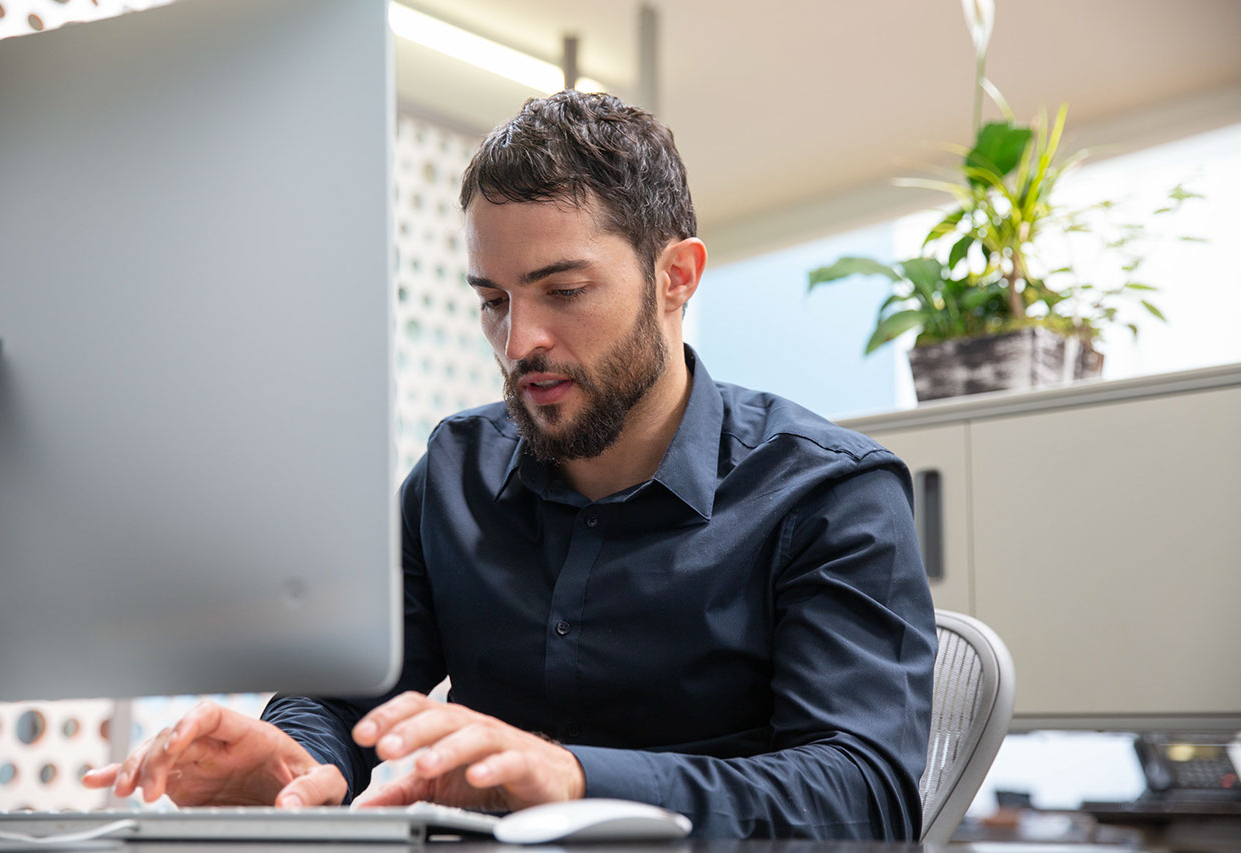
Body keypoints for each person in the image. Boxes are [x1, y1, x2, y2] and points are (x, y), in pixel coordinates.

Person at [83, 91, 937, 839]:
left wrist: (572, 777)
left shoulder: (829, 494)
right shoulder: (454, 471)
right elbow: (344, 693)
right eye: (493, 301)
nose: (519, 342)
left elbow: (866, 796)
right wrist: (302, 762)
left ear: (677, 276)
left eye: (563, 291)